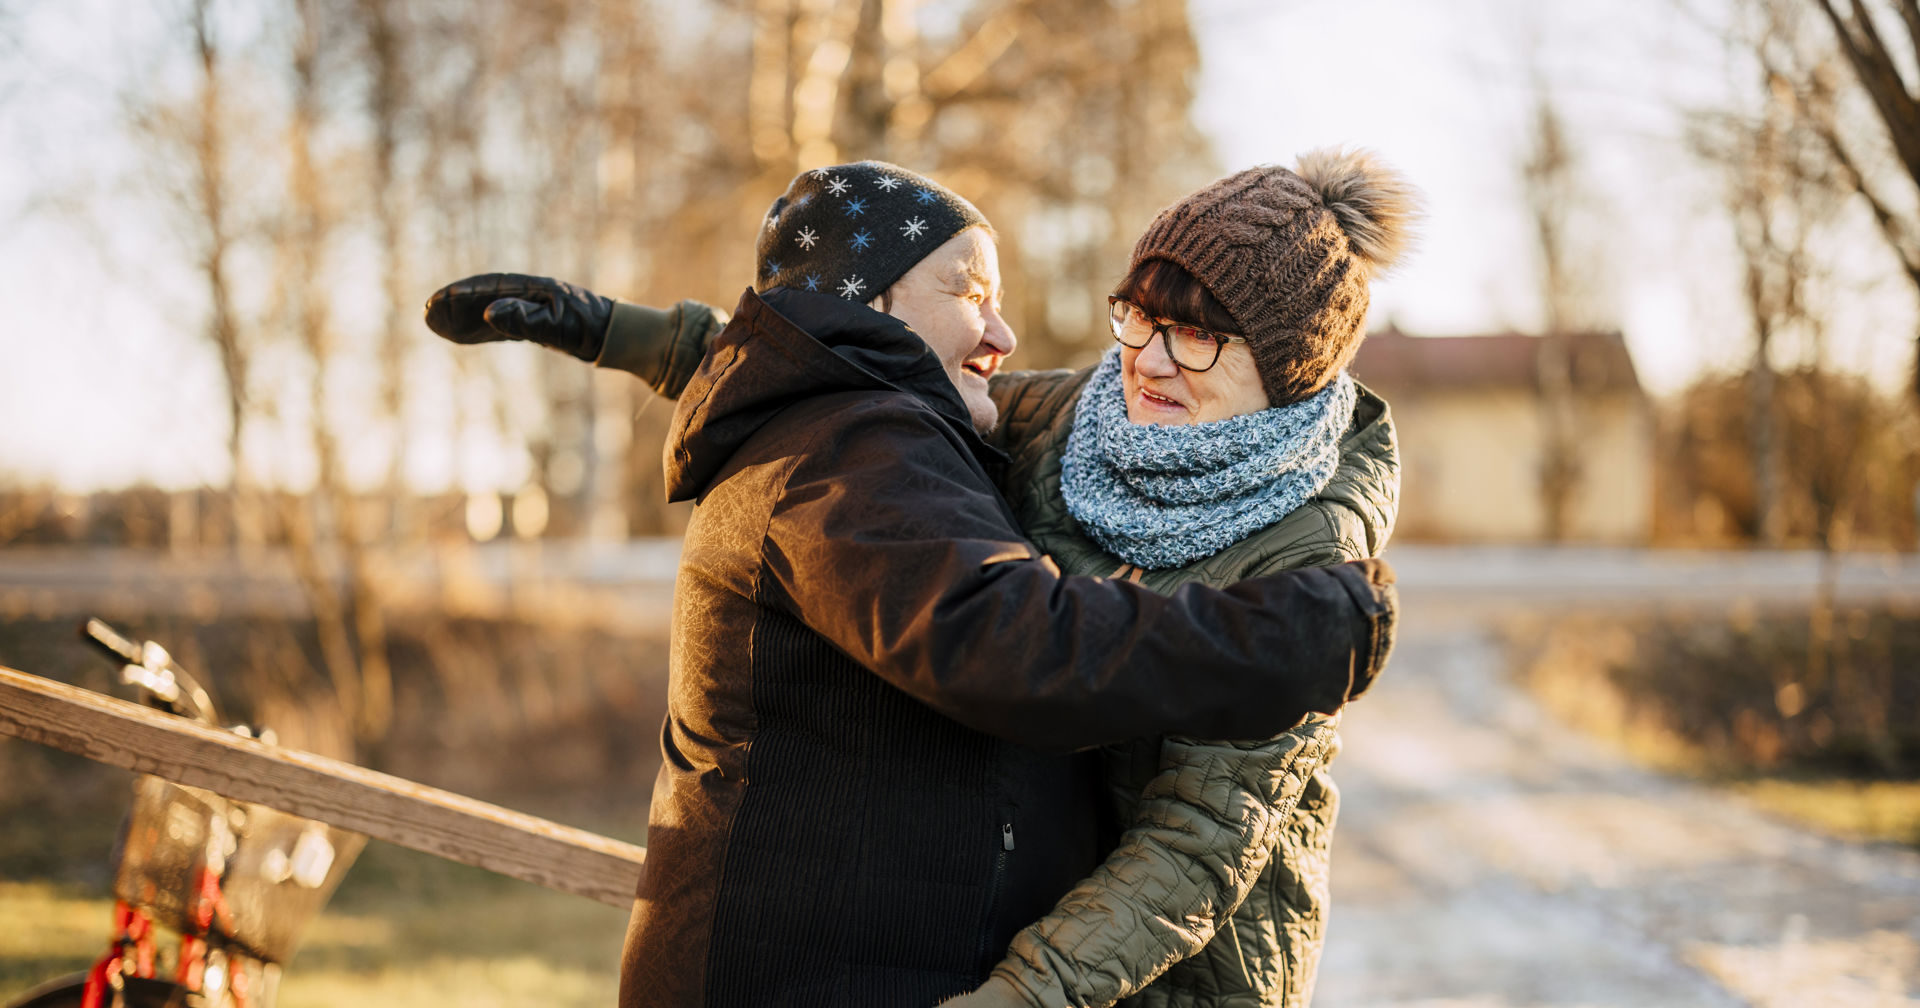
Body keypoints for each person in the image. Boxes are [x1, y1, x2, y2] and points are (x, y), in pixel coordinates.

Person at [425, 160, 1398, 1008]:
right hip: (1023, 938)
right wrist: (634, 335)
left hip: (1170, 964)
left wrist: (1027, 994)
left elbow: (1199, 841)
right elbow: (838, 354)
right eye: (1137, 316)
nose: (1145, 357)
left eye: (1193, 336)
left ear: (1286, 369)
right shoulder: (1078, 421)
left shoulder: (1306, 550)